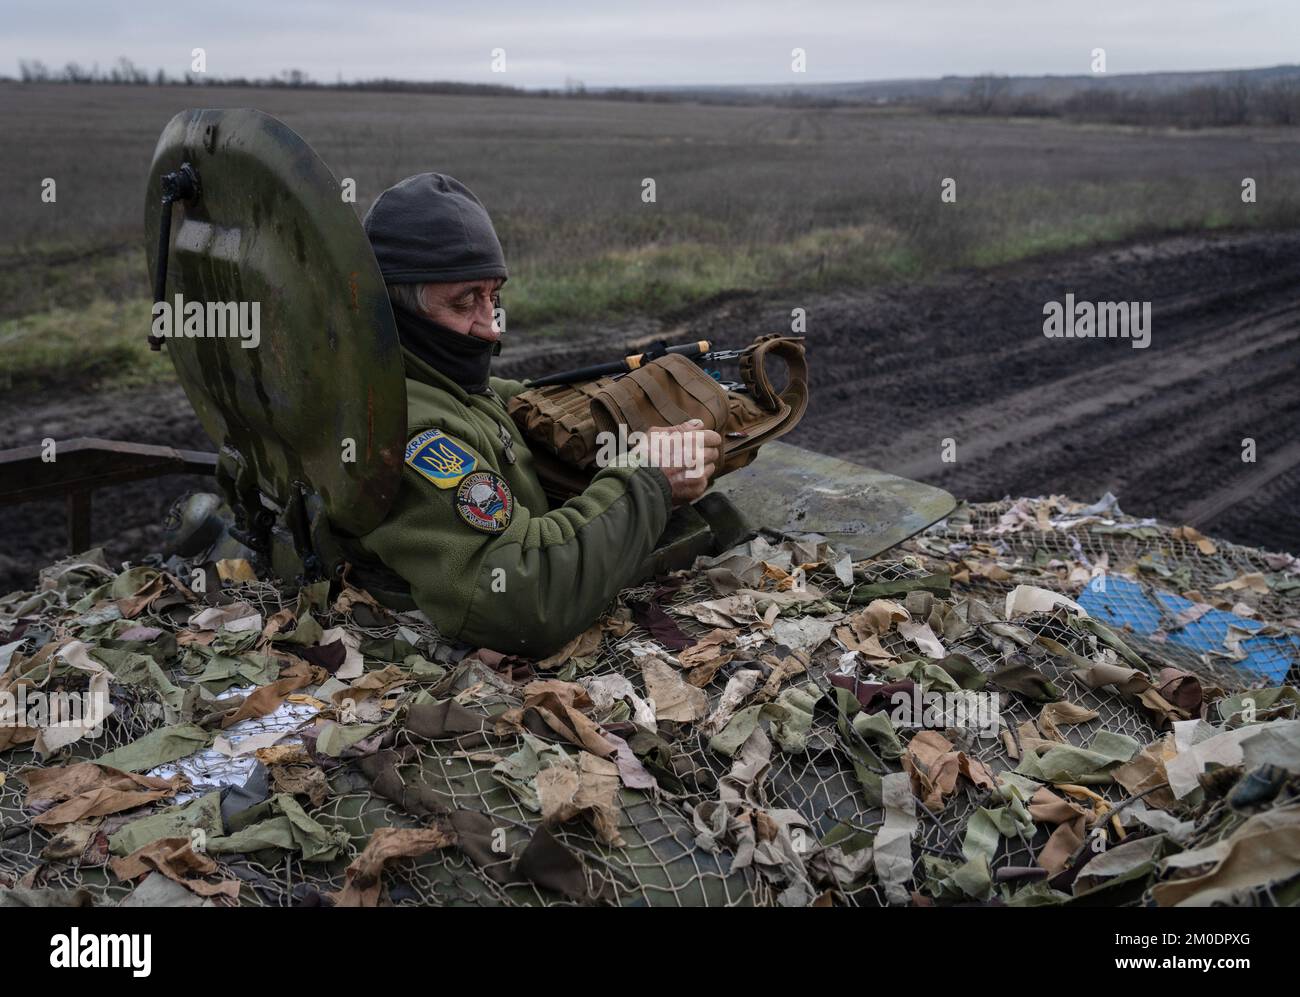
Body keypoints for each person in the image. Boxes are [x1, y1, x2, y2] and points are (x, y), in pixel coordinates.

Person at [352, 173, 719, 656]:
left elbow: (502, 400)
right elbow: (519, 599)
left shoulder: (438, 379)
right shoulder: (411, 431)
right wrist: (650, 479)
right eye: (465, 302)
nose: (489, 327)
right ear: (397, 310)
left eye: (494, 297)